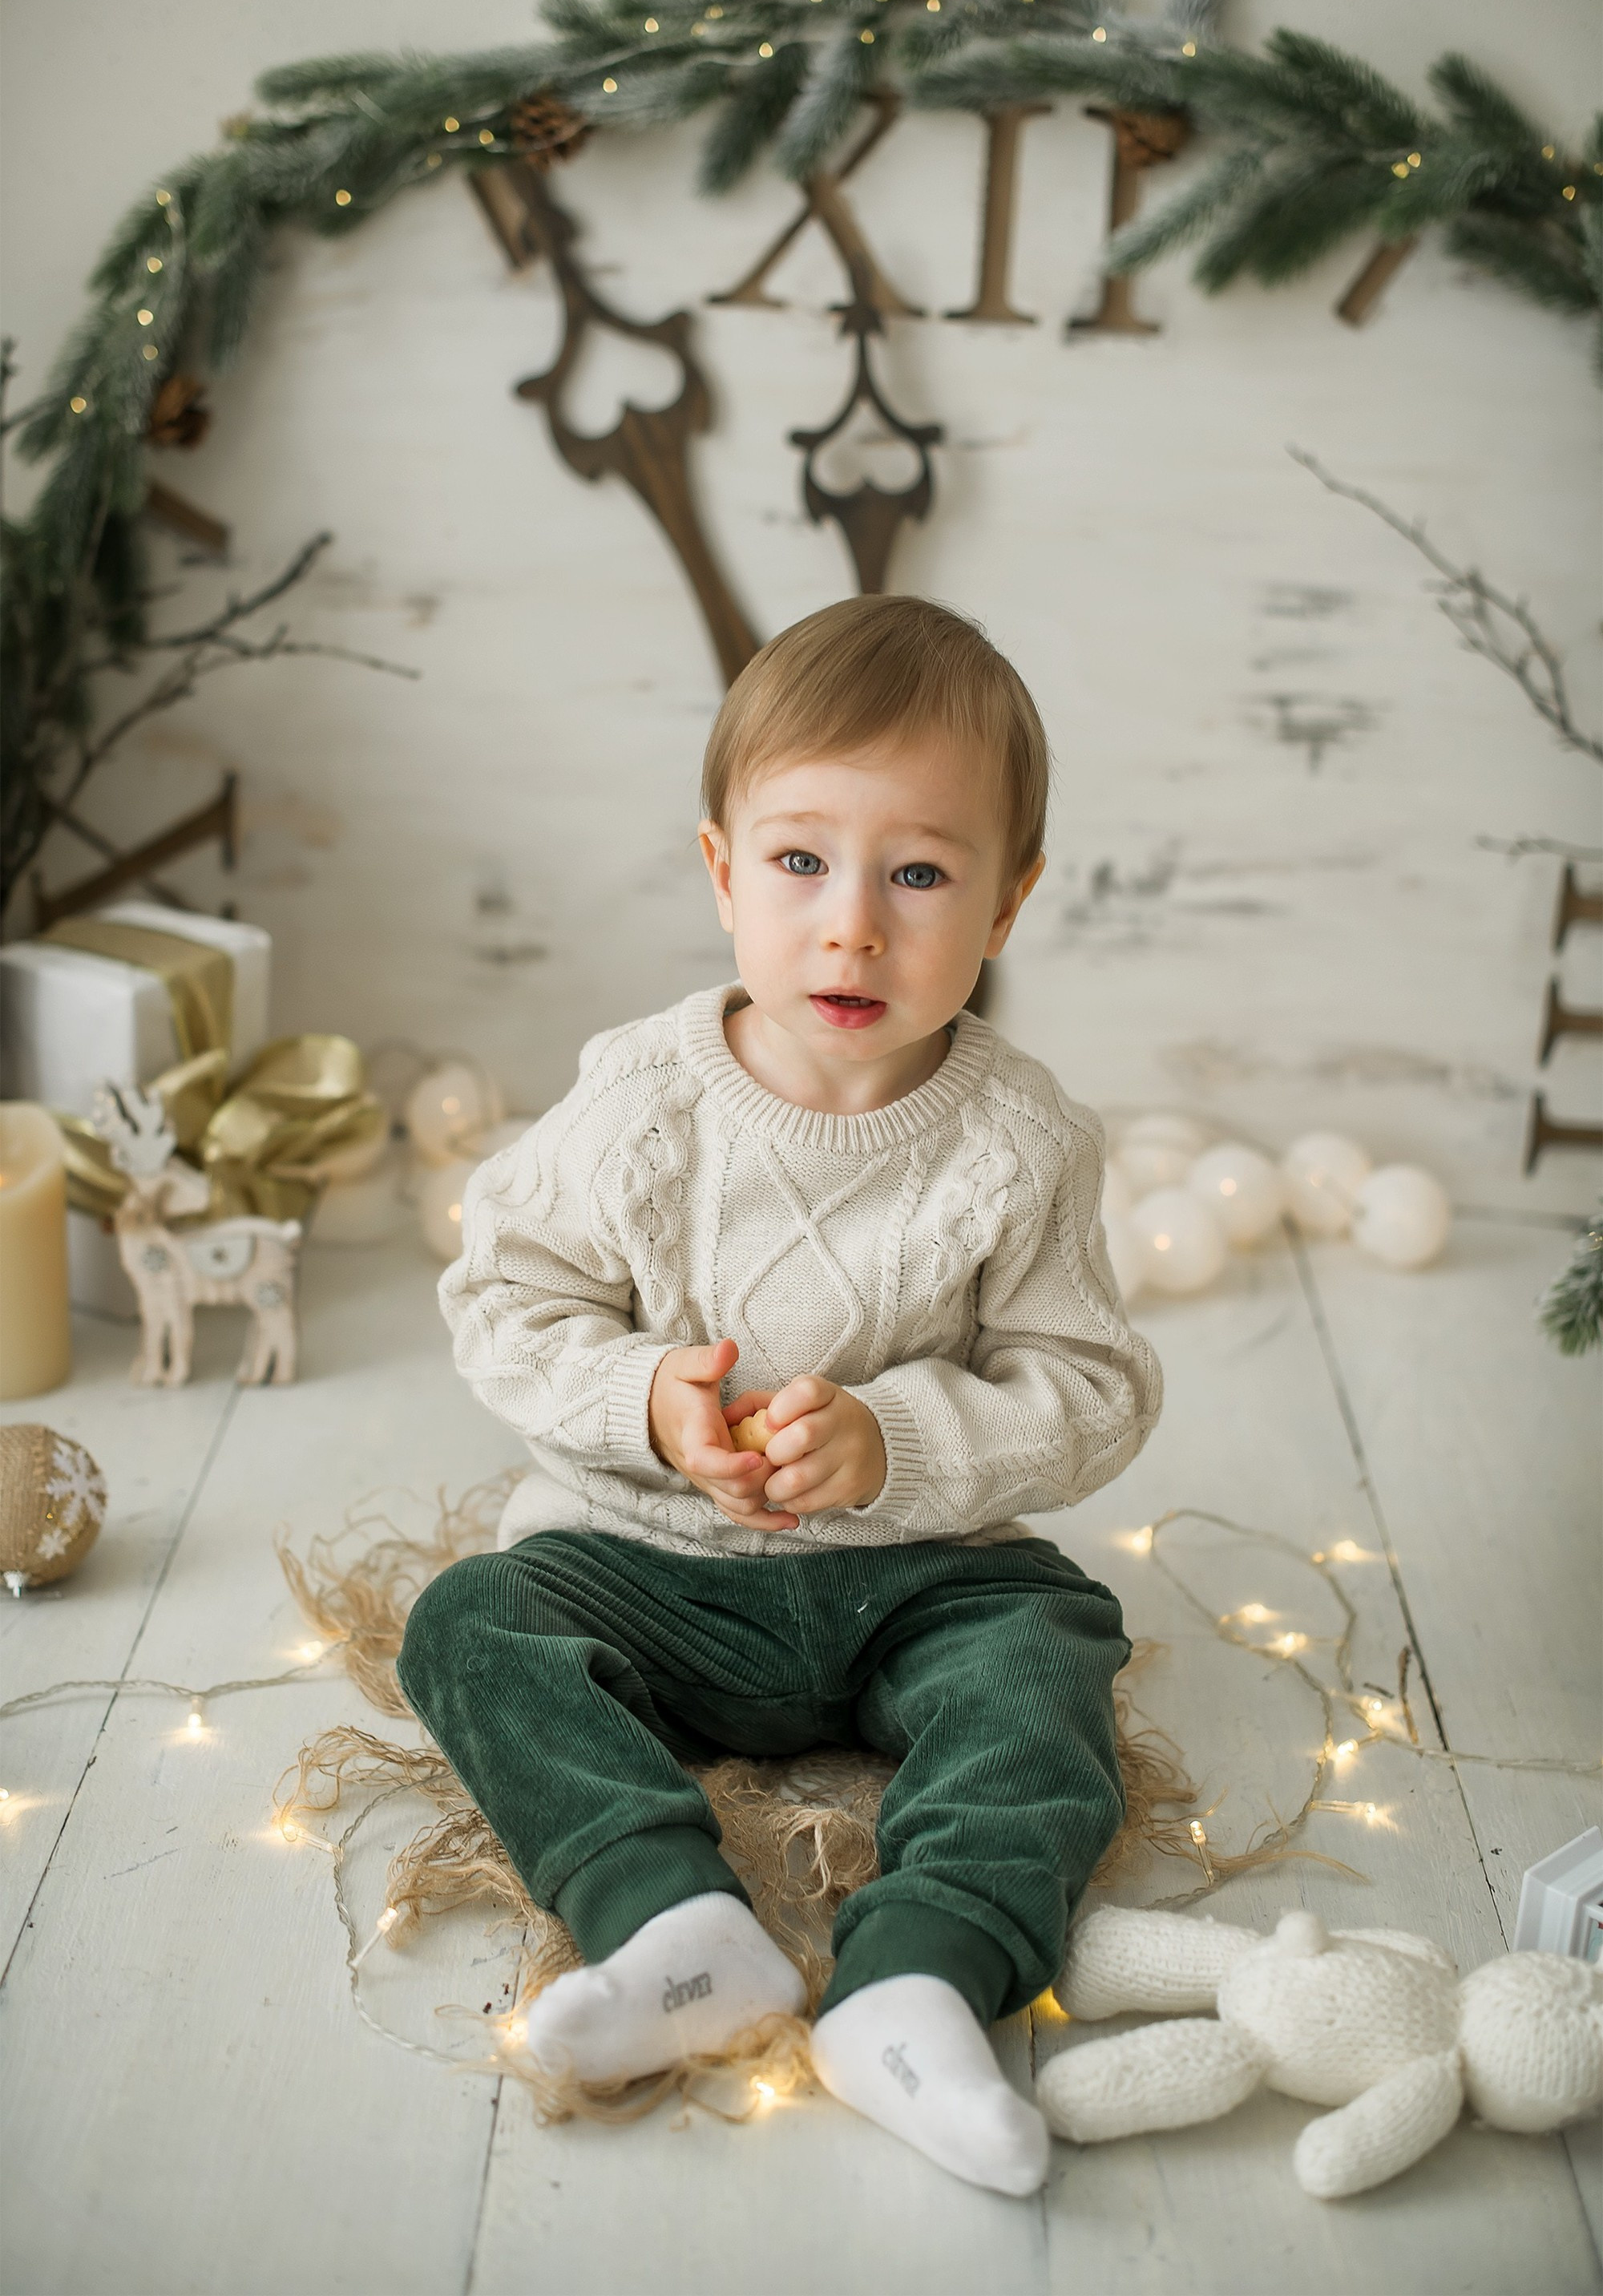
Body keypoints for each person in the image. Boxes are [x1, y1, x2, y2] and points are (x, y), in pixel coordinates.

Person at [398, 594, 1162, 2197]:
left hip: (913, 1580)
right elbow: (502, 1293)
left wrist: (894, 1441)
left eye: (921, 873)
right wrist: (639, 1401)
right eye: (801, 861)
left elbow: (1090, 1391)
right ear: (720, 870)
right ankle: (674, 1928)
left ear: (1008, 902)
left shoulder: (1023, 1146)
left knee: (1048, 1650)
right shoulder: (641, 1104)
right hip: (645, 1561)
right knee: (468, 1624)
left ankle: (917, 1986)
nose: (852, 927)